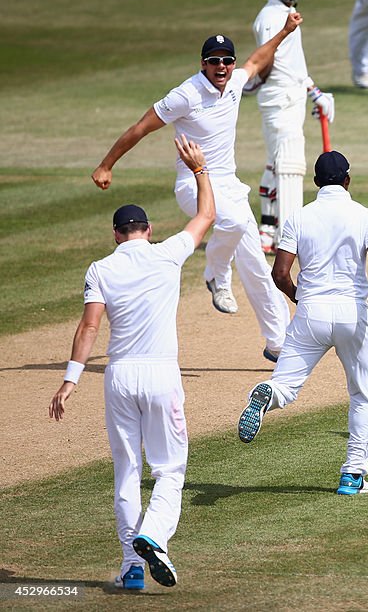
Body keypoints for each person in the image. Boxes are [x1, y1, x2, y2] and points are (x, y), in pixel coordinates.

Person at [50, 136, 215, 591]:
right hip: (162, 374)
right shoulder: (167, 254)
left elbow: (88, 329)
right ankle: (153, 536)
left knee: (127, 472)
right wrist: (199, 169)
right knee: (169, 471)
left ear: (117, 234)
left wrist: (70, 380)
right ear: (147, 228)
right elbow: (206, 216)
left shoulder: (101, 268)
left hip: (119, 376)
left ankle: (132, 566)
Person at [92, 12, 303, 363]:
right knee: (233, 224)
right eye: (214, 61)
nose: (221, 66)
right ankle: (215, 274)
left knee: (253, 262)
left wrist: (284, 30)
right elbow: (141, 127)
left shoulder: (235, 81)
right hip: (192, 183)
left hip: (229, 185)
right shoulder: (185, 95)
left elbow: (257, 59)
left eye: (226, 60)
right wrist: (106, 164)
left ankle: (277, 341)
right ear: (203, 64)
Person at [236, 151, 368, 496]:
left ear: (315, 183)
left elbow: (280, 274)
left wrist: (301, 298)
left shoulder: (298, 218)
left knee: (286, 386)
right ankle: (352, 474)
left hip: (310, 313)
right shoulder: (364, 215)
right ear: (348, 180)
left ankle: (268, 395)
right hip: (352, 314)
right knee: (363, 396)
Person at [248, 0, 336, 254]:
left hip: (293, 96)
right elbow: (267, 57)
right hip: (279, 98)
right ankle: (287, 235)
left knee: (277, 162)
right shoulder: (271, 17)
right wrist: (254, 80)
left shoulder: (286, 12)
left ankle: (267, 231)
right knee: (287, 163)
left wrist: (315, 92)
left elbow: (293, 64)